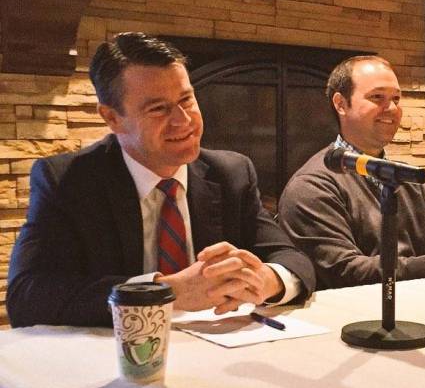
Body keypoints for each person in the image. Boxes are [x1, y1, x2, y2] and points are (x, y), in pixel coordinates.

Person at [7, 32, 315, 327]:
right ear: (112, 118)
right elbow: (28, 295)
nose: (184, 120)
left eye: (187, 99)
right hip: (116, 360)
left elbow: (292, 258)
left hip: (218, 348)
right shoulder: (68, 180)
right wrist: (167, 292)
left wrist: (267, 280)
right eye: (158, 108)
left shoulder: (231, 172)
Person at [277, 55, 425, 290]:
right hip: (352, 318)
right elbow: (344, 271)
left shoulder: (407, 176)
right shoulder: (311, 186)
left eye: (396, 99)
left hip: (424, 302)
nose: (391, 108)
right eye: (377, 97)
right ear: (340, 104)